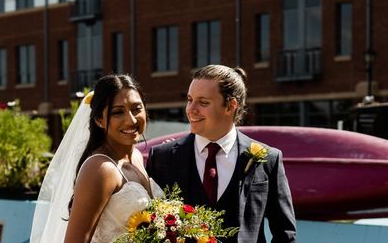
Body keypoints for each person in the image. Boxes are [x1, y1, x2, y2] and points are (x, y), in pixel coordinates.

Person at [146, 65, 297, 243]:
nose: (191, 109)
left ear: (230, 106)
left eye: (203, 102)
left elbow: (285, 234)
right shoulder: (162, 157)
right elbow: (150, 229)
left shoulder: (268, 159)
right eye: (189, 99)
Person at [30, 74, 162, 243]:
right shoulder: (100, 169)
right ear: (99, 120)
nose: (131, 120)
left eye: (137, 108)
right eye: (118, 112)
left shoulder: (136, 156)